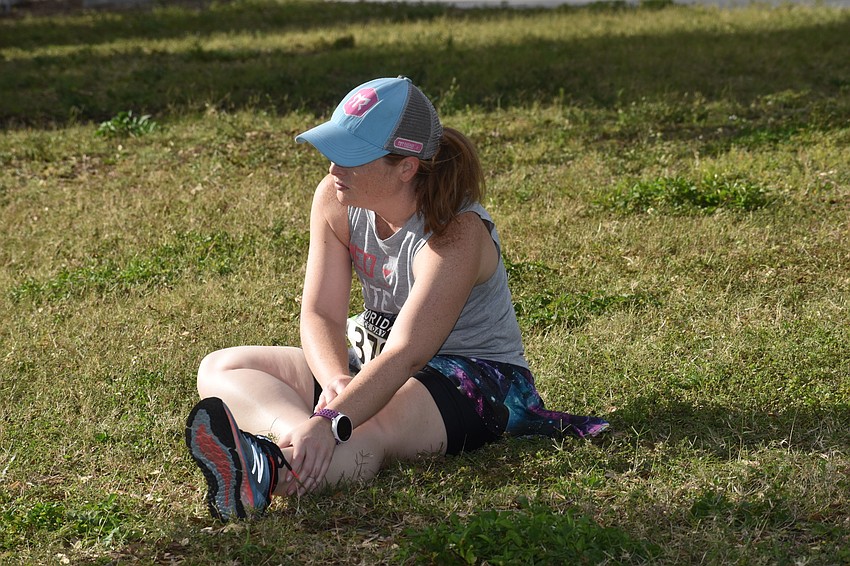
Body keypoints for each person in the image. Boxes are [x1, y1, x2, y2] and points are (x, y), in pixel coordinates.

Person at [184, 76, 609, 522]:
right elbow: (321, 312)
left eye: (350, 156)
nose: (332, 169)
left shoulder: (458, 231)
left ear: (406, 166)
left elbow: (408, 352)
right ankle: (282, 447)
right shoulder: (334, 199)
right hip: (373, 358)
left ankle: (274, 472)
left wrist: (332, 419)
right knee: (222, 366)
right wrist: (334, 386)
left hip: (470, 379)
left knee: (366, 429)